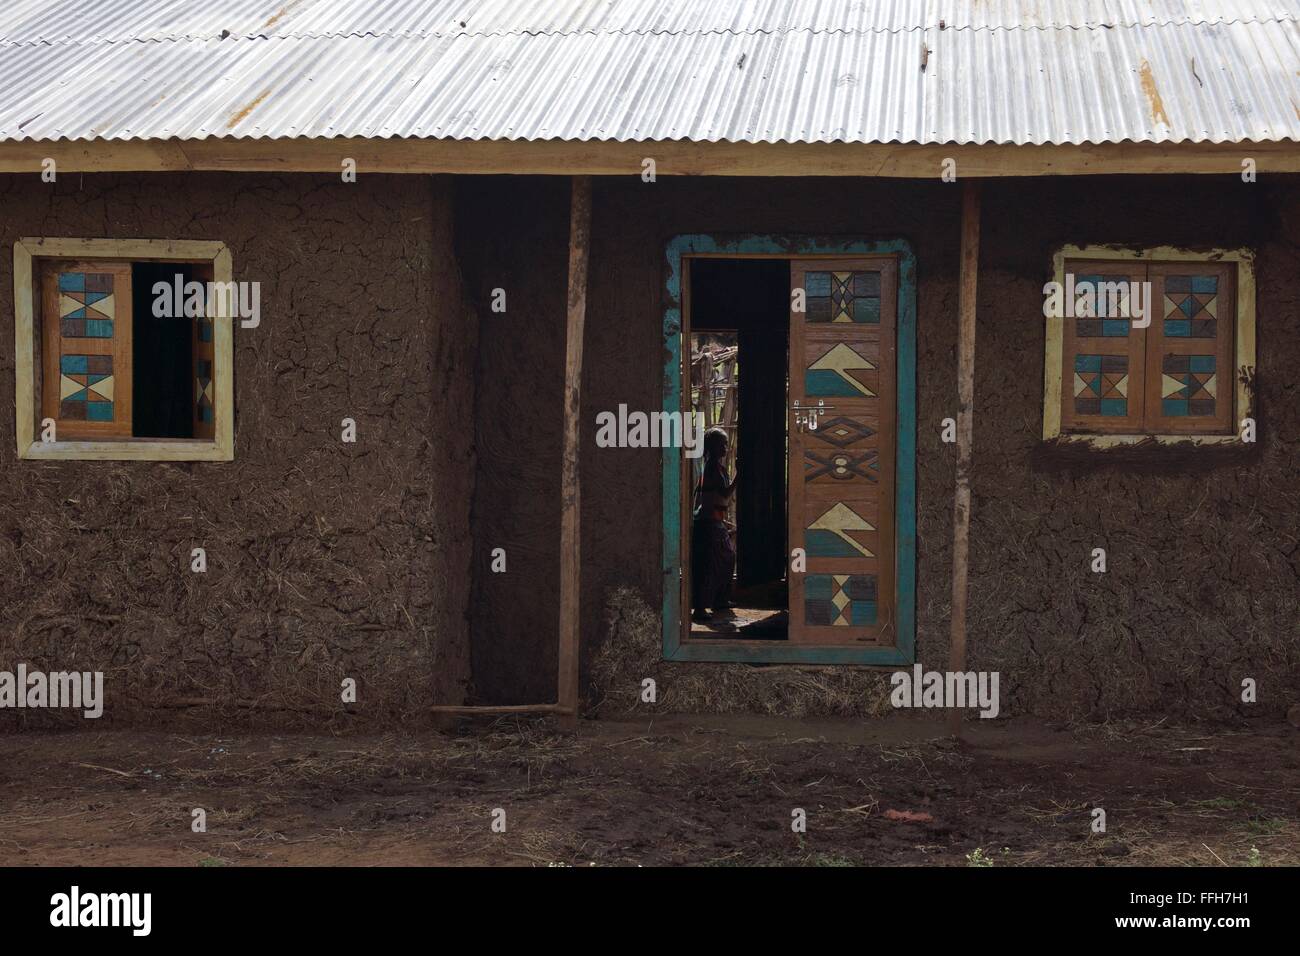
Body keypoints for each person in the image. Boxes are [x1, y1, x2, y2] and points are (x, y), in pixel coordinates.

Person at [691, 428, 738, 625]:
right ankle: (701, 607)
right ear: (712, 447)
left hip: (711, 521)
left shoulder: (714, 468)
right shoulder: (712, 468)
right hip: (708, 523)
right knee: (709, 565)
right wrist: (740, 475)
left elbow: (712, 500)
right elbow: (725, 494)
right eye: (722, 445)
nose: (726, 448)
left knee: (724, 559)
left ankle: (718, 600)